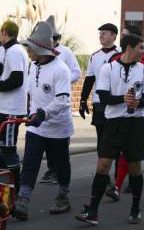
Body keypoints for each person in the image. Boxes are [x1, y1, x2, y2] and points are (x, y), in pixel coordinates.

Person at [75, 34, 144, 225]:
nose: (143, 52)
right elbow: (102, 95)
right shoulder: (108, 68)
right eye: (140, 48)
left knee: (135, 168)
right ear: (129, 47)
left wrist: (137, 102)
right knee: (103, 165)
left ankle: (135, 209)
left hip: (135, 124)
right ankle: (92, 211)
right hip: (113, 124)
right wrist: (122, 99)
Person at [14, 21, 74, 220]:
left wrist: (43, 114)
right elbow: (32, 92)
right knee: (30, 163)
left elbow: (63, 101)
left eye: (29, 48)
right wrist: (30, 113)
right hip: (36, 127)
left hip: (57, 128)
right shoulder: (33, 66)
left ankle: (63, 195)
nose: (27, 51)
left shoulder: (61, 70)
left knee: (60, 165)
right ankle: (23, 200)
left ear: (40, 49)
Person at [105, 25, 144, 200]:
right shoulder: (112, 61)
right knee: (112, 157)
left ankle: (121, 188)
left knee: (132, 158)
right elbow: (104, 91)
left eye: (125, 35)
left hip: (138, 117)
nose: (122, 38)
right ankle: (115, 187)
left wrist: (140, 101)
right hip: (114, 119)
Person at [0, 20, 28, 195]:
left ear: (3, 33)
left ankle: (16, 188)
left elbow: (17, 80)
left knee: (9, 151)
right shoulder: (10, 51)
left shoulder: (15, 51)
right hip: (1, 108)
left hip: (12, 110)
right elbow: (7, 73)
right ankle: (8, 174)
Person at [40, 15, 81, 184]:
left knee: (60, 142)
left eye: (55, 38)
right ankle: (51, 169)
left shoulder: (66, 52)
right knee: (47, 139)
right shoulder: (41, 53)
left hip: (60, 101)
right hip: (44, 101)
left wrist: (62, 81)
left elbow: (77, 72)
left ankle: (59, 171)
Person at [79, 23, 119, 150]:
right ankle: (101, 169)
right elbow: (89, 80)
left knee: (116, 138)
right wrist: (83, 100)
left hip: (117, 101)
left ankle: (119, 168)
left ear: (113, 36)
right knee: (101, 138)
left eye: (104, 33)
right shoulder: (94, 56)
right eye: (100, 34)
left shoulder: (121, 54)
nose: (101, 36)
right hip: (99, 102)